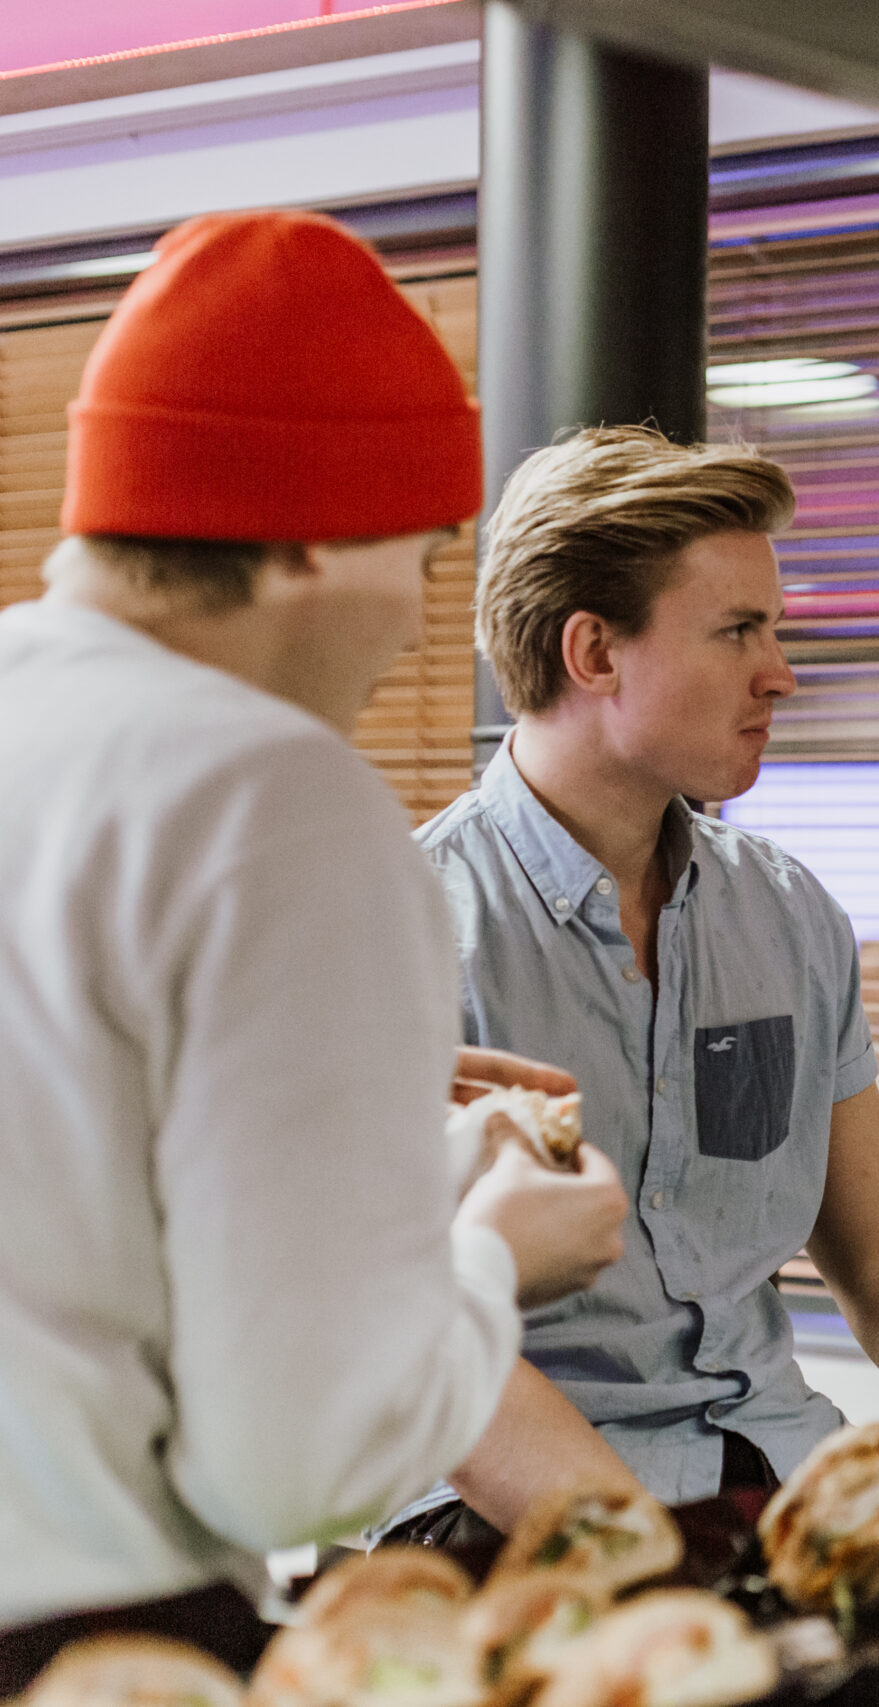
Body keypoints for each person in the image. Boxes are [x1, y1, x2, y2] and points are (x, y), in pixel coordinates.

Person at [0, 211, 627, 1678]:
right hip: (88, 1644)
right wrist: (483, 1256)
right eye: (418, 553)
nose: (421, 624)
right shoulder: (271, 794)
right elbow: (299, 1456)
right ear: (304, 542)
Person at [387, 426, 879, 1543]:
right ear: (594, 653)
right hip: (509, 1512)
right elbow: (409, 1341)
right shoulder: (412, 933)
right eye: (739, 630)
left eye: (777, 629)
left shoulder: (790, 915)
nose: (781, 673)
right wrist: (657, 1573)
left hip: (781, 1476)